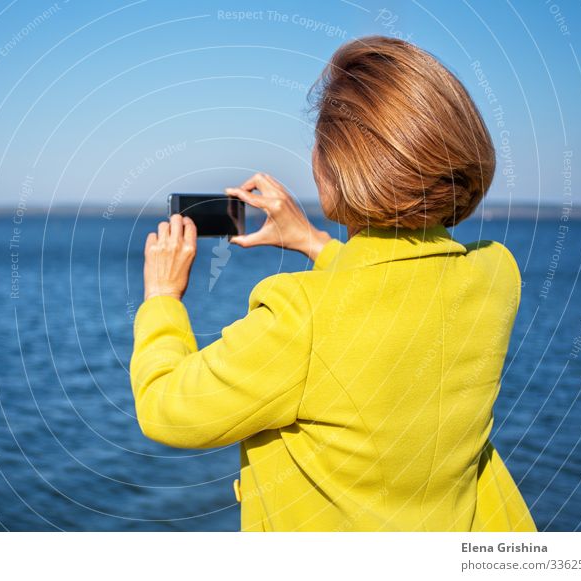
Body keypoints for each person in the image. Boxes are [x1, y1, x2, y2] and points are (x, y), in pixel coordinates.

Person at [129, 35, 536, 532]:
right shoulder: (496, 274)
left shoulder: (300, 318)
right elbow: (391, 294)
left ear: (336, 170)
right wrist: (313, 241)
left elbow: (166, 409)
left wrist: (162, 299)